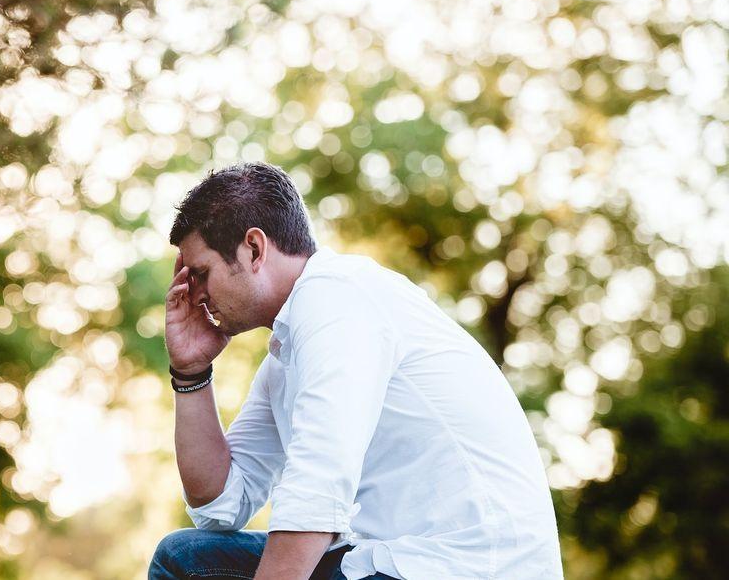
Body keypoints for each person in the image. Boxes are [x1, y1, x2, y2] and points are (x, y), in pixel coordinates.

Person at [149, 163, 563, 580]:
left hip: (463, 567)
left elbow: (318, 487)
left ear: (254, 249)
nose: (194, 295)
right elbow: (220, 504)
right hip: (387, 559)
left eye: (201, 274)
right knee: (184, 558)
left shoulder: (336, 298)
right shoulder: (287, 352)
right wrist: (191, 371)